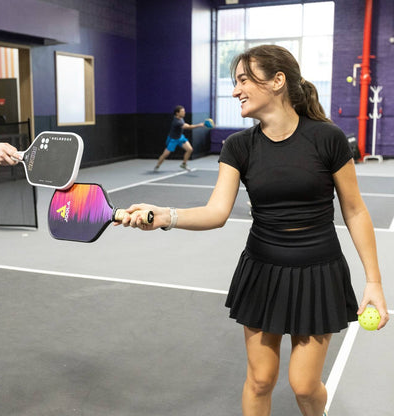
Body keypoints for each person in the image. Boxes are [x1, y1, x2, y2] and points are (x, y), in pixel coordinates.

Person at [118, 45, 389, 416]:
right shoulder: (239, 146)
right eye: (235, 82)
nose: (235, 90)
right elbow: (216, 211)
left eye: (243, 80)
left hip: (318, 271)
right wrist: (165, 215)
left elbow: (355, 211)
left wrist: (373, 281)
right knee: (261, 380)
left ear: (278, 81)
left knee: (305, 386)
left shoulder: (327, 139)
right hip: (263, 272)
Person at [154, 105, 204, 171]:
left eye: (184, 111)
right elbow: (188, 127)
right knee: (165, 154)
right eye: (182, 111)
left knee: (190, 149)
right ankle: (157, 165)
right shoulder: (177, 122)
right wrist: (199, 125)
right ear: (177, 113)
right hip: (173, 139)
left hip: (180, 137)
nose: (184, 112)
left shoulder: (180, 118)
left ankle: (184, 164)